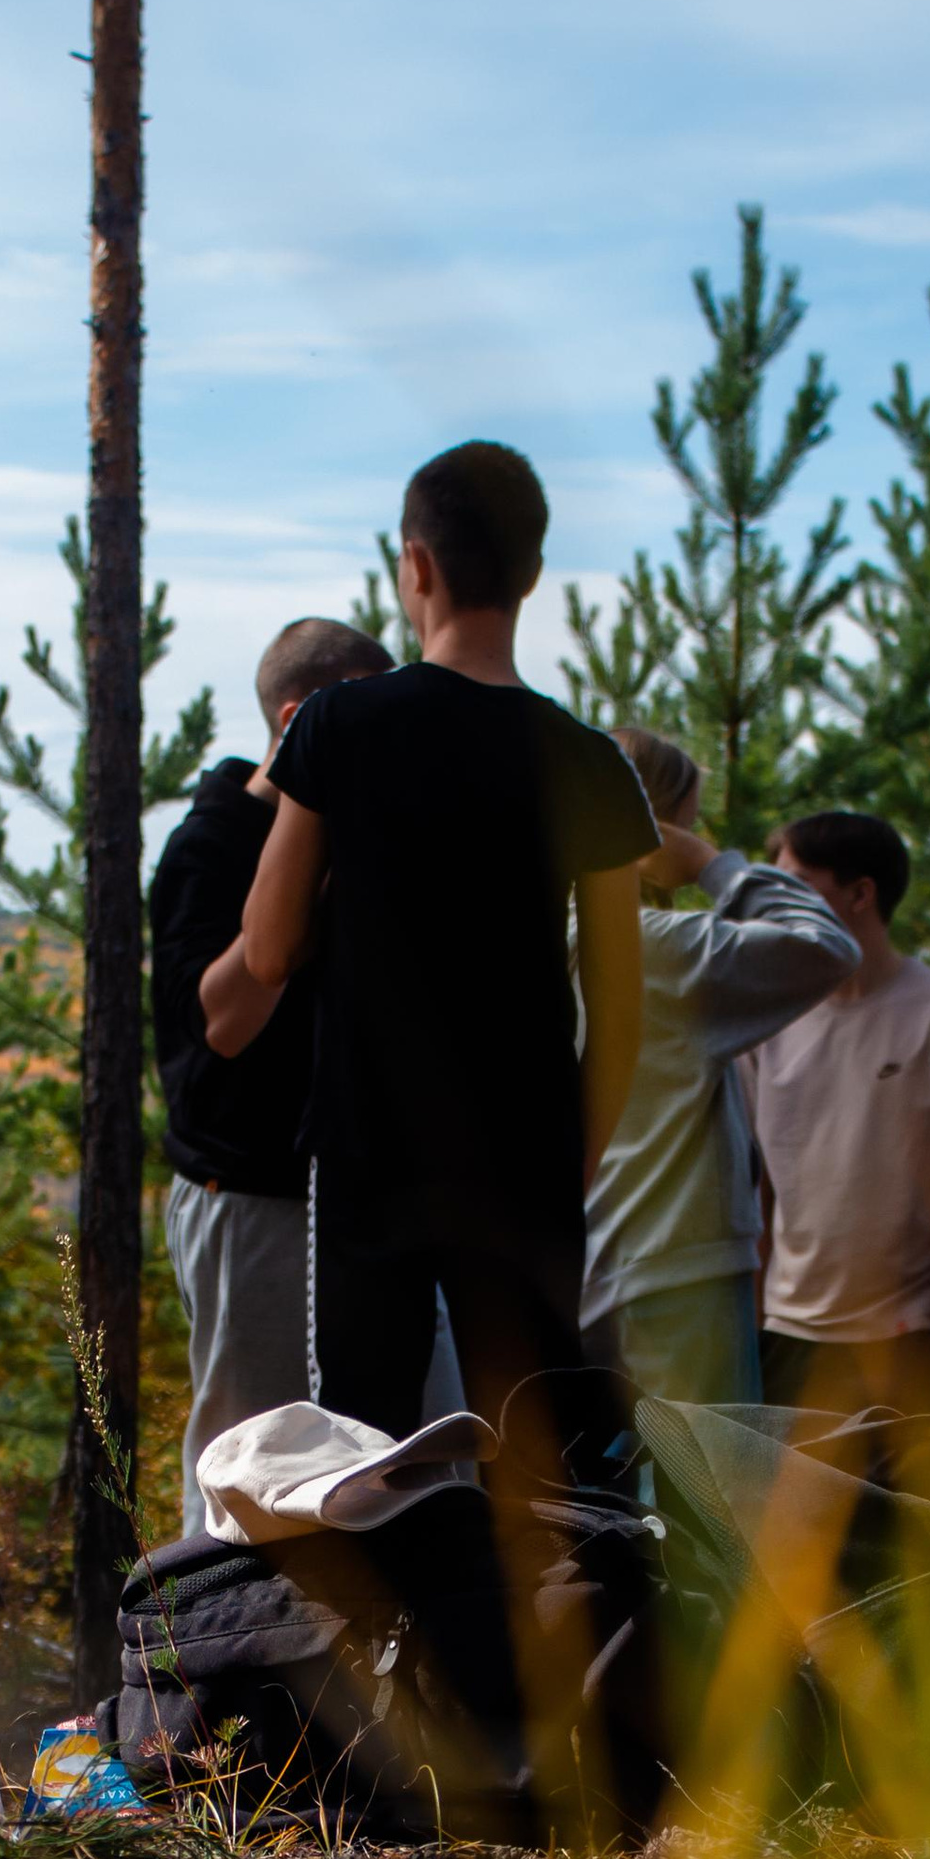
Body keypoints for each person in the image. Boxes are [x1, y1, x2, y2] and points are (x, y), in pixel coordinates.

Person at [203, 441, 654, 1465]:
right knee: (545, 1446)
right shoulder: (589, 762)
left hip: (371, 1145)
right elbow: (622, 1011)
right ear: (531, 574)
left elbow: (268, 950)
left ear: (417, 564)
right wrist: (570, 1160)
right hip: (528, 1155)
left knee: (361, 1447)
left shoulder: (340, 725)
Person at [150, 617, 391, 1538]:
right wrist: (300, 900)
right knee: (244, 1466)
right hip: (247, 1198)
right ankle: (196, 1627)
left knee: (384, 1458)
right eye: (358, 721)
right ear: (299, 722)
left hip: (348, 1197)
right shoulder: (212, 844)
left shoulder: (352, 840)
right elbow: (221, 1026)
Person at [581, 731, 860, 1410]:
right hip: (675, 1269)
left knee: (597, 1474)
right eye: (690, 822)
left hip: (583, 1268)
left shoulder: (535, 936)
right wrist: (715, 865)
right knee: (705, 1477)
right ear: (658, 833)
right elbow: (824, 944)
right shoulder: (657, 950)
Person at [744, 808, 930, 1422]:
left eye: (795, 884)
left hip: (907, 1341)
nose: (774, 903)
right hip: (786, 1339)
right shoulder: (768, 1020)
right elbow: (758, 1185)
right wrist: (756, 1322)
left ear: (861, 894)